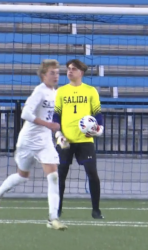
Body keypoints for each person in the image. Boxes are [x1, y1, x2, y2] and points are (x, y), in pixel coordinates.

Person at [0, 59, 68, 231]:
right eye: (52, 73)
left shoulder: (57, 93)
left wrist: (59, 134)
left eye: (57, 72)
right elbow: (25, 113)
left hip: (45, 141)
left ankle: (52, 218)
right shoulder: (39, 92)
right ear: (43, 76)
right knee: (22, 176)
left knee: (54, 176)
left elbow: (53, 121)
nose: (56, 76)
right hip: (27, 141)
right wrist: (49, 125)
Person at [53, 59, 105, 219]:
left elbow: (98, 114)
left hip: (85, 140)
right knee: (59, 175)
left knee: (92, 174)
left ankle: (96, 210)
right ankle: (57, 210)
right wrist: (58, 134)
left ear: (81, 72)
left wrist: (99, 131)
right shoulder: (61, 91)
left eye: (73, 69)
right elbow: (56, 115)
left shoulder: (91, 91)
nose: (69, 71)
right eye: (68, 69)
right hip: (65, 140)